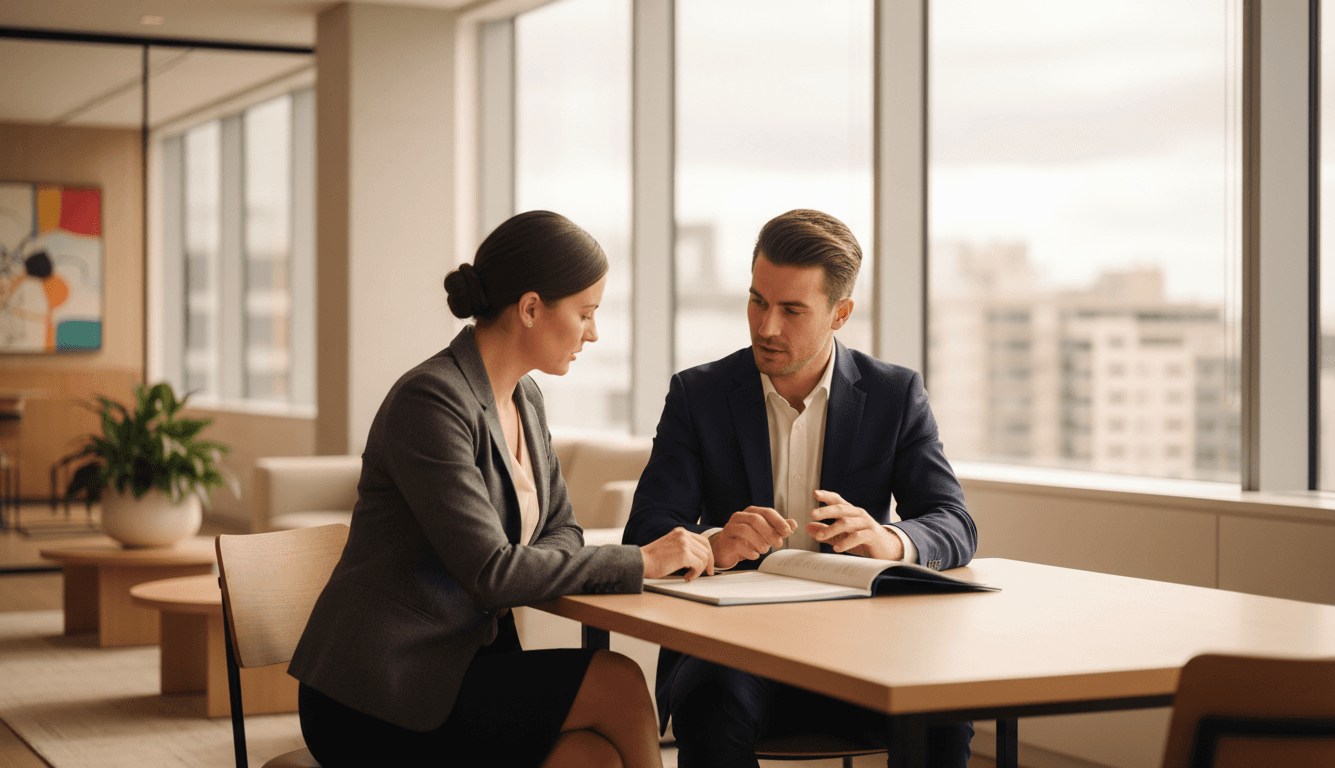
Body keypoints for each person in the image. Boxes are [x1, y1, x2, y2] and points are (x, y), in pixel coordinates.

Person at [289, 210, 714, 768]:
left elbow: (563, 527)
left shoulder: (525, 397)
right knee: (618, 682)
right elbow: (491, 573)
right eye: (586, 313)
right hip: (380, 690)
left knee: (591, 758)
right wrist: (640, 560)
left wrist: (525, 562)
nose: (594, 332)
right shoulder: (432, 401)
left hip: (461, 668)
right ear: (532, 309)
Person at [622, 209, 978, 768]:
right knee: (710, 708)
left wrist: (890, 542)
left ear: (840, 313)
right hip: (733, 650)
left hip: (862, 648)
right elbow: (644, 529)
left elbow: (953, 522)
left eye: (791, 310)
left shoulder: (894, 395)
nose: (766, 326)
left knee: (944, 710)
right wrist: (712, 543)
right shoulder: (699, 395)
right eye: (758, 300)